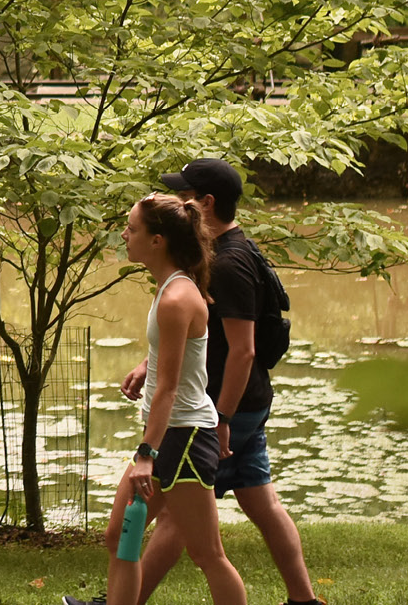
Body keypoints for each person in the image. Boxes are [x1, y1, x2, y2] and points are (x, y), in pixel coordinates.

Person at [126, 158, 325, 605]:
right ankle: (304, 600)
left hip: (224, 408)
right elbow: (195, 332)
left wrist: (223, 419)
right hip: (233, 404)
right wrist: (149, 361)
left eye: (184, 194)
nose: (177, 202)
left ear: (206, 202)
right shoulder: (215, 254)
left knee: (181, 519)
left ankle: (123, 600)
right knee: (259, 501)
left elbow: (243, 349)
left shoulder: (231, 263)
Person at [66, 194, 248, 605]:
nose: (124, 236)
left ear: (157, 241)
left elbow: (169, 388)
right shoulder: (172, 287)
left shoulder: (175, 298)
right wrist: (145, 366)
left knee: (208, 554)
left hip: (180, 440)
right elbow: (171, 366)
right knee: (119, 538)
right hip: (168, 437)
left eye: (132, 229)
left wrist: (146, 454)